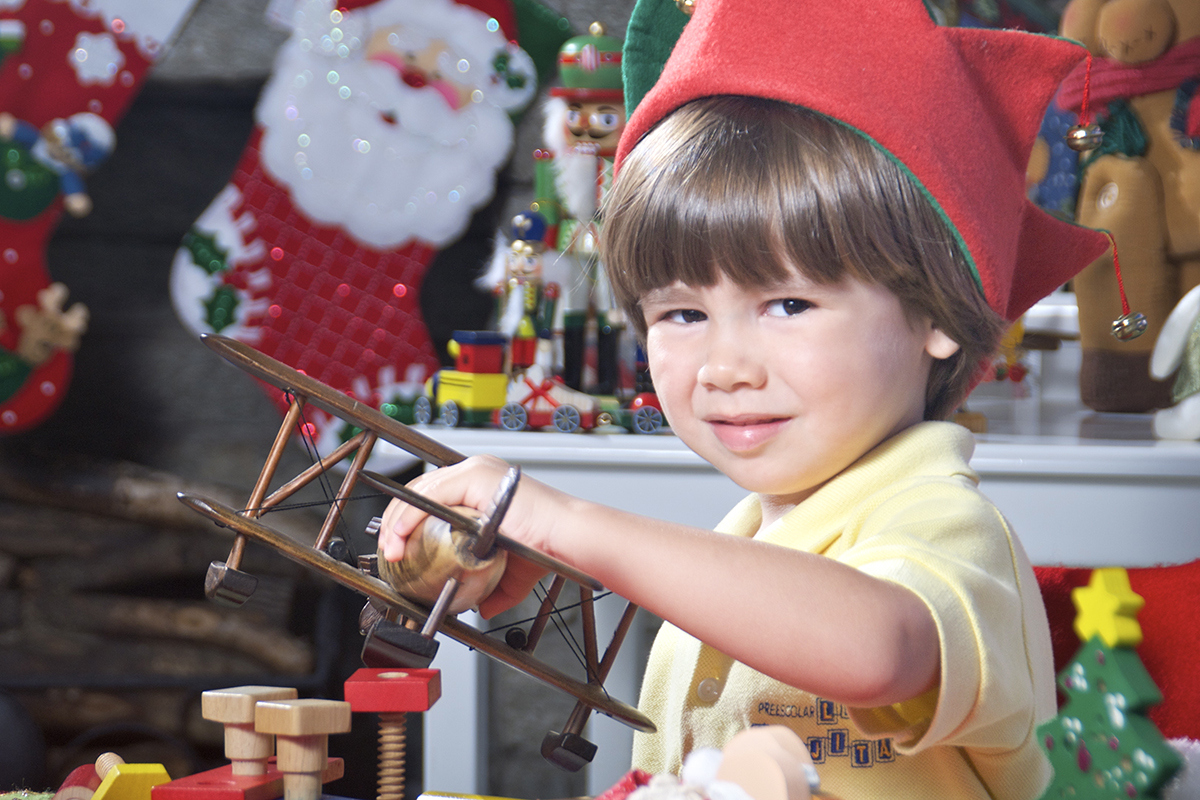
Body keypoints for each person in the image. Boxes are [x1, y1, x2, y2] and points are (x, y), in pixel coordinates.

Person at [379, 0, 1113, 798]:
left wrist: (566, 522)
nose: (725, 367)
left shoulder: (943, 524)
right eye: (683, 314)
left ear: (936, 310)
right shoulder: (751, 544)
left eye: (789, 304)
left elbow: (878, 649)